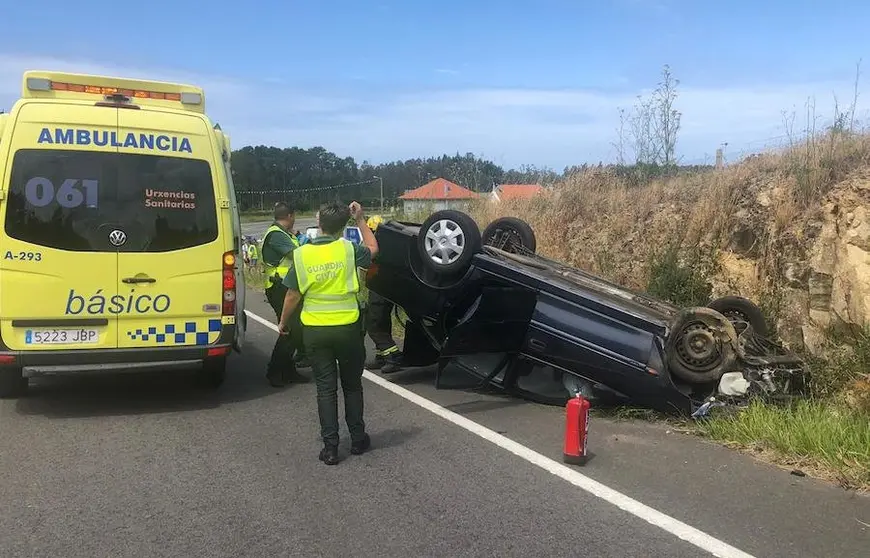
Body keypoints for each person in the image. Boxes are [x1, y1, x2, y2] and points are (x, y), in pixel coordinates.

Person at [278, 201, 378, 465]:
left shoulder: (302, 254)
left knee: (325, 389)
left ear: (318, 222)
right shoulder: (348, 250)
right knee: (352, 386)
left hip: (315, 330)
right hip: (348, 328)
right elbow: (373, 248)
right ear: (343, 225)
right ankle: (358, 439)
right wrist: (360, 220)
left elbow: (292, 294)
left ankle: (331, 448)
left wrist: (283, 322)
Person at [261, 202, 309, 387]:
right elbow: (297, 255)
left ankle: (289, 371)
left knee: (294, 330)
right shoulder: (276, 235)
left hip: (285, 286)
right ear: (290, 216)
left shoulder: (282, 234)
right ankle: (274, 371)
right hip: (280, 288)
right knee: (289, 331)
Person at [363, 215, 404, 374]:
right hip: (383, 288)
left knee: (374, 324)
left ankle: (393, 356)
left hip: (380, 289)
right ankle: (382, 355)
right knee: (382, 321)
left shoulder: (378, 248)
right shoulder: (390, 245)